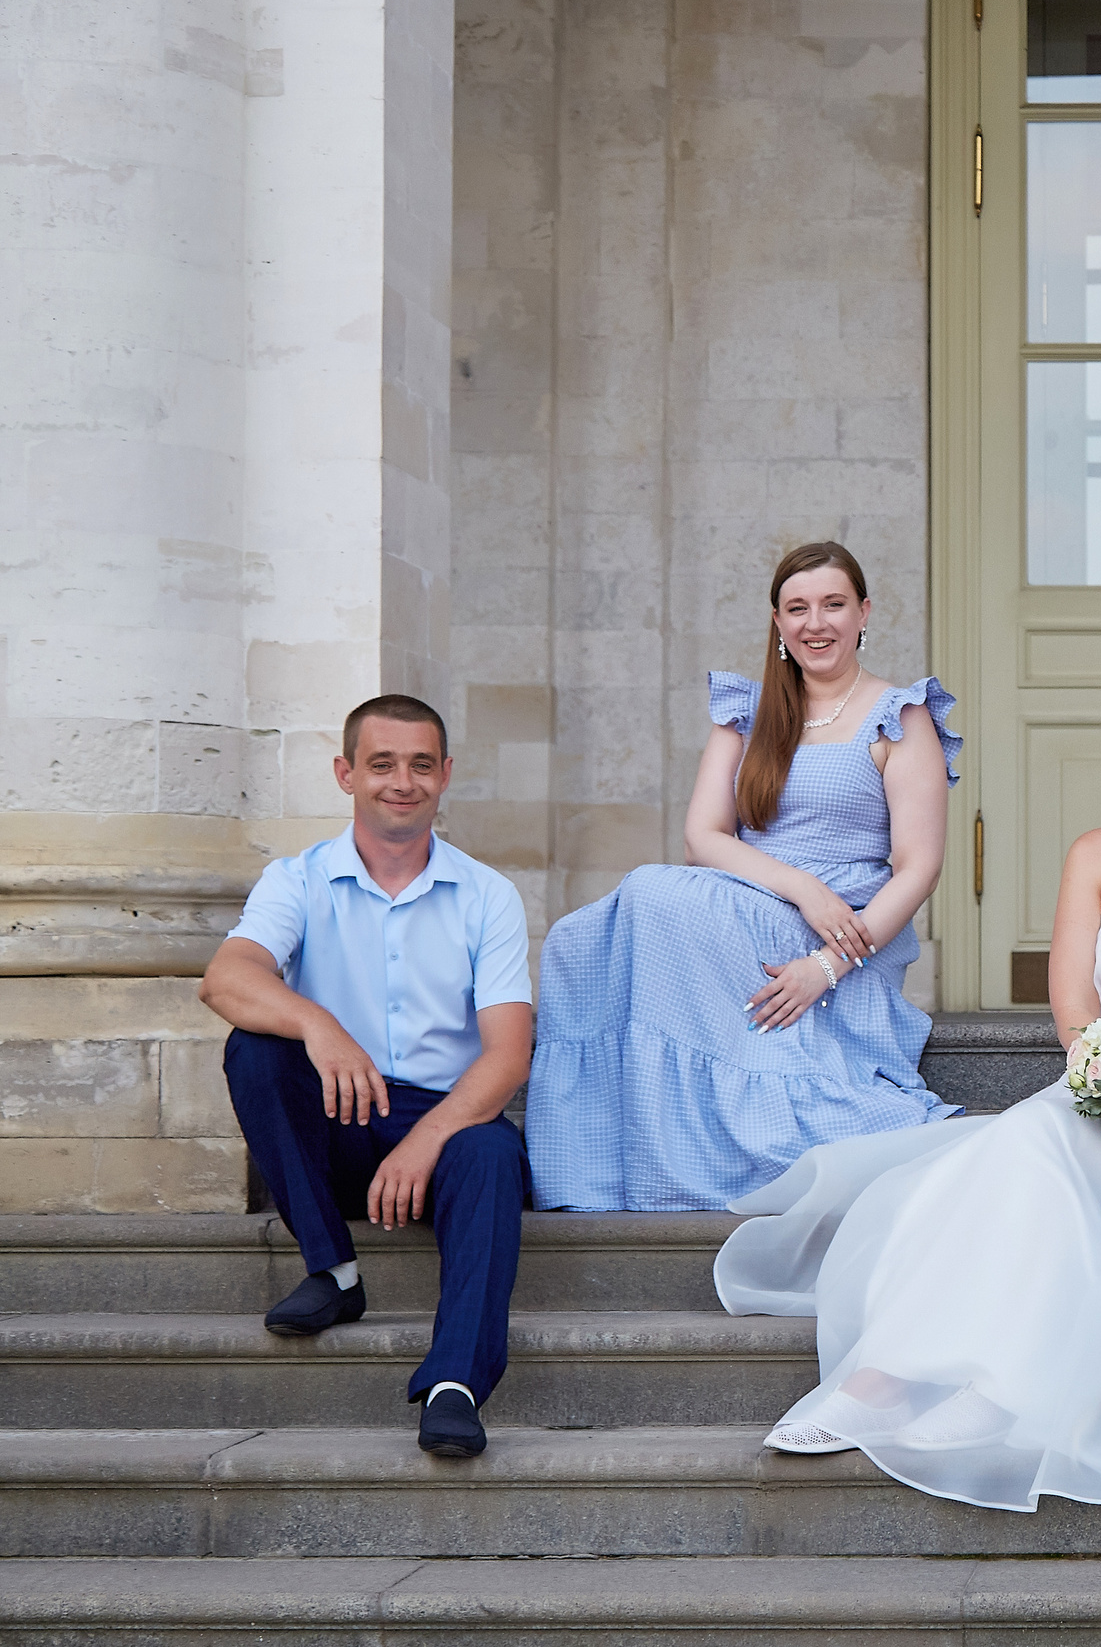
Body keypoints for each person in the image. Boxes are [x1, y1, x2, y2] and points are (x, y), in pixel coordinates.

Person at [714, 669, 1101, 1512]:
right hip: (1098, 1091)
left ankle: (995, 1388)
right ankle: (880, 1381)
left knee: (1027, 1155)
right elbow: (1076, 1010)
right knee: (1020, 1143)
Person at [527, 541, 962, 1210]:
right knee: (578, 940)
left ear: (864, 611)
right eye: (797, 608)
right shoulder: (749, 714)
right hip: (760, 902)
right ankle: (604, 1160)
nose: (816, 622)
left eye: (833, 604)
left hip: (847, 932)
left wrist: (827, 964)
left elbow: (918, 866)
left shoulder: (897, 717)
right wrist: (802, 887)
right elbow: (703, 836)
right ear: (778, 622)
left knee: (649, 891)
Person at [197, 695, 532, 1460]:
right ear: (347, 773)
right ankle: (334, 1268)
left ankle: (456, 1385)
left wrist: (427, 1141)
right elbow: (225, 978)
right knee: (256, 1047)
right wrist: (320, 1025)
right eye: (382, 763)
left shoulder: (488, 895)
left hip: (447, 1124)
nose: (401, 781)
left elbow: (507, 1054)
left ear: (446, 775)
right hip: (339, 1120)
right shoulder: (298, 880)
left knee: (490, 1154)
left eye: (421, 764)